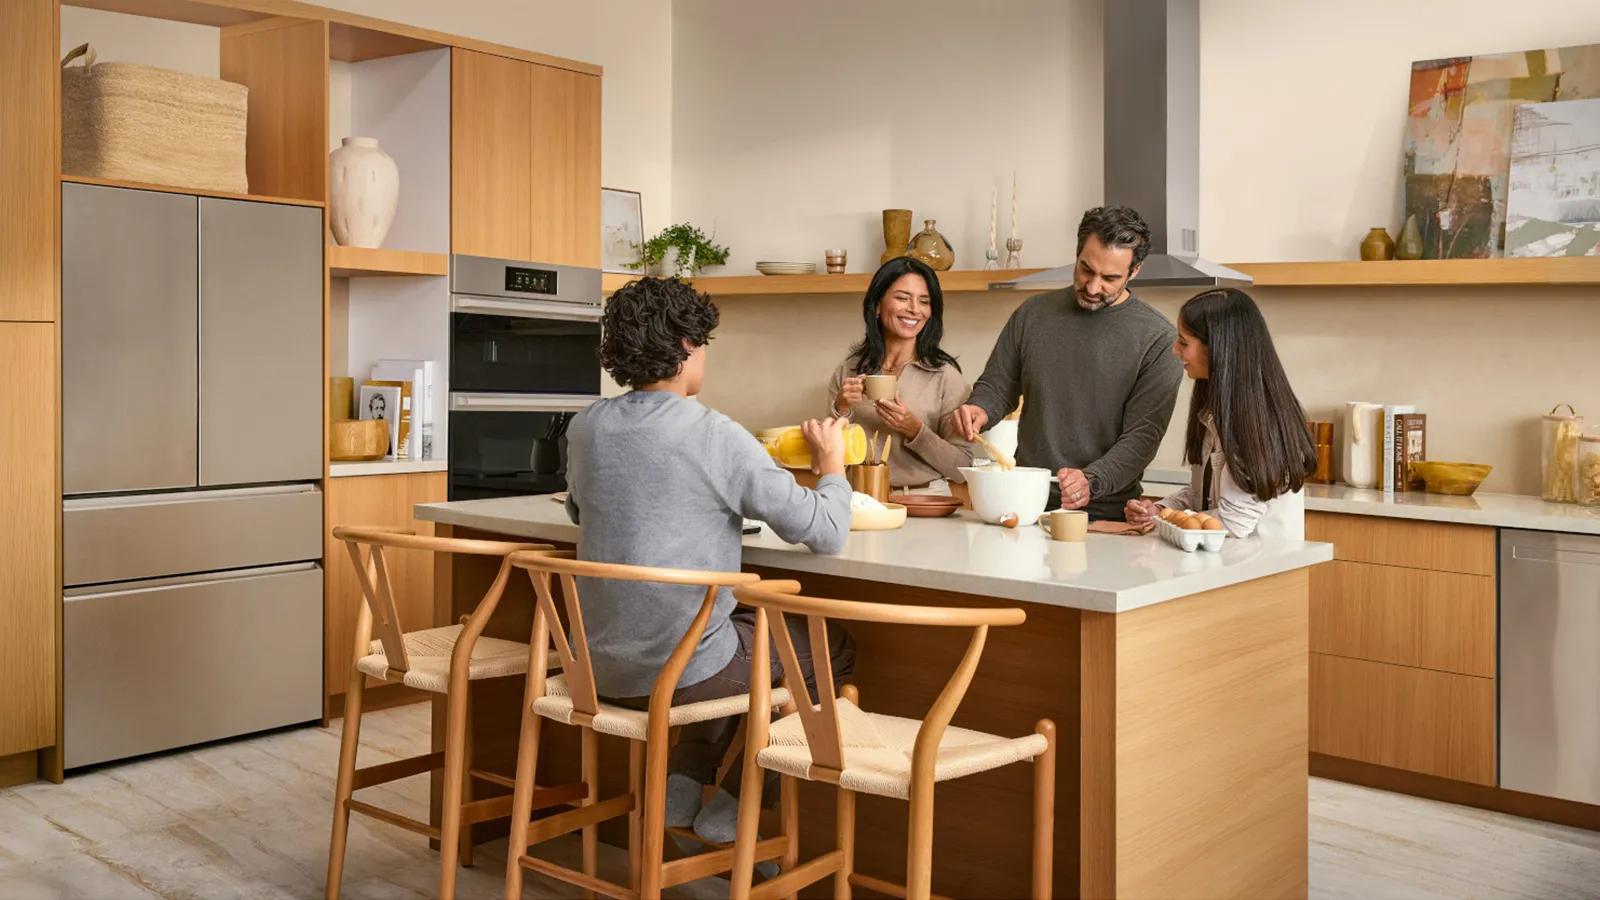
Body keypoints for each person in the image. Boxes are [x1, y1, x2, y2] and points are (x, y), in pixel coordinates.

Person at [563, 277, 855, 844]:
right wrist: (832, 464)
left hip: (596, 667)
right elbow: (825, 531)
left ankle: (682, 784)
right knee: (825, 646)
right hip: (678, 677)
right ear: (686, 347)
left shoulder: (585, 427)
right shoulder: (718, 435)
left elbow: (581, 512)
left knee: (728, 634)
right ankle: (739, 802)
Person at [951, 206, 1183, 520]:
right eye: (1086, 269)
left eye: (1110, 278)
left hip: (1105, 515)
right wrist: (979, 409)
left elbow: (1142, 437)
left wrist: (1091, 480)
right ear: (1076, 253)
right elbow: (997, 386)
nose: (1092, 287)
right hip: (1026, 506)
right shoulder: (1033, 314)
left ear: (1135, 271)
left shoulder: (1158, 339)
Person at [1125, 288, 1317, 540]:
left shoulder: (1257, 424)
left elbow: (1233, 523)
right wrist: (1161, 509)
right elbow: (1202, 497)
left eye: (1183, 342)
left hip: (1261, 571)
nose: (1175, 350)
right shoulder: (1215, 411)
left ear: (1217, 348)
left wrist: (1167, 519)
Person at [827, 257, 973, 488]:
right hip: (858, 501)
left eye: (924, 301)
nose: (914, 309)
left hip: (925, 503)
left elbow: (963, 468)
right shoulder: (848, 371)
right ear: (877, 305)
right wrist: (841, 410)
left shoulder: (946, 378)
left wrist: (915, 430)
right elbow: (829, 456)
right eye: (902, 298)